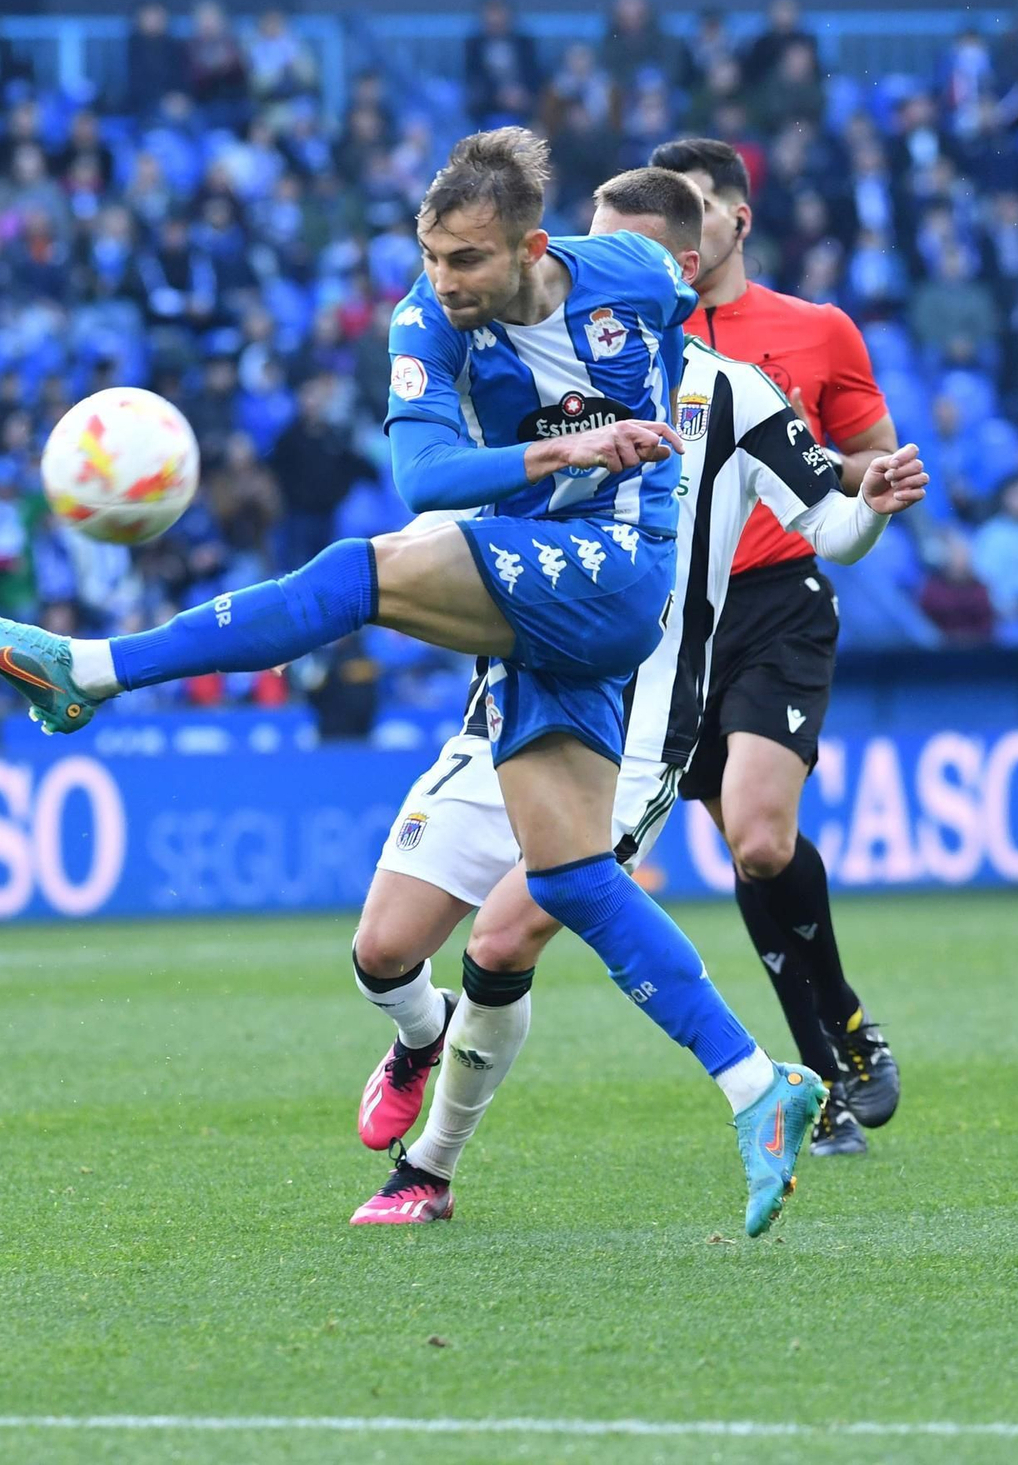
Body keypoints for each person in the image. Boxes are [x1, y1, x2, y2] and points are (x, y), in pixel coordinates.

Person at [0, 129, 827, 1238]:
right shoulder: (426, 325)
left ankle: (91, 671)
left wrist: (810, 465)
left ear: (528, 247)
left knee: (357, 574)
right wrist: (558, 452)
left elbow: (693, 294)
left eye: (465, 260)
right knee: (566, 880)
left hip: (614, 572)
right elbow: (421, 474)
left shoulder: (632, 276)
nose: (440, 282)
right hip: (537, 590)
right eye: (429, 256)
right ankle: (759, 1087)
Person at [349, 308, 927, 1220]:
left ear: (672, 274)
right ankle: (423, 1038)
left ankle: (429, 1168)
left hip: (636, 733)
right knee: (382, 951)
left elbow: (833, 526)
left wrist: (872, 503)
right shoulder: (534, 370)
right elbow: (453, 495)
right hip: (507, 708)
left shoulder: (733, 391)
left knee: (503, 940)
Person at [648, 136, 904, 1153]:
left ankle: (837, 1013)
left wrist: (859, 480)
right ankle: (828, 1072)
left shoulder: (814, 331)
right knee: (749, 856)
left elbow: (868, 453)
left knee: (757, 836)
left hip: (778, 598)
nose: (674, 234)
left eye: (692, 211)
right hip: (675, 623)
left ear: (735, 220)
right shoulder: (625, 342)